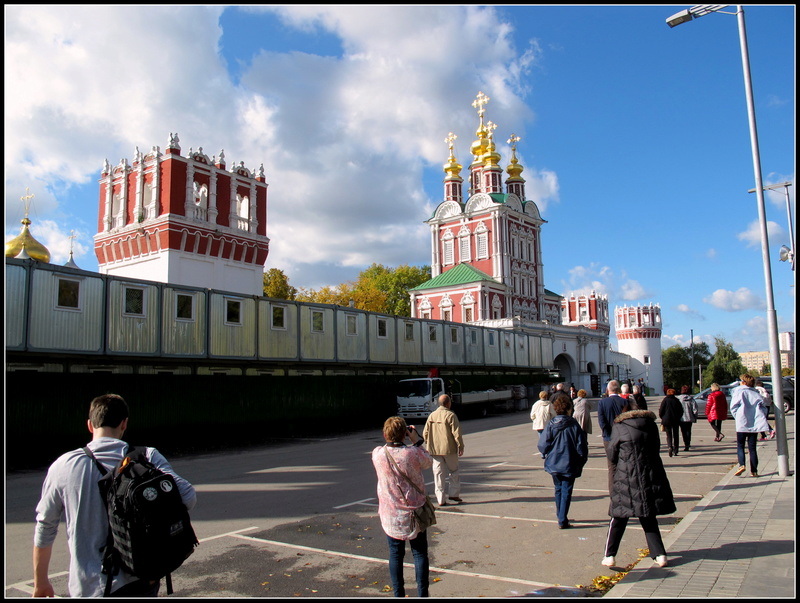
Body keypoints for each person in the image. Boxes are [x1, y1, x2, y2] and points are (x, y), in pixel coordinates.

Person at [33, 393, 197, 598]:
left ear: (90, 425)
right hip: (140, 581)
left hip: (89, 587)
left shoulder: (63, 466)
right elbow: (188, 497)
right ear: (124, 424)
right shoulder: (146, 456)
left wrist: (41, 582)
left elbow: (45, 525)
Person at [601, 402, 675, 569]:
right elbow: (656, 448)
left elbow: (612, 452)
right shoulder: (650, 425)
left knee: (618, 517)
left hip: (626, 475)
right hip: (649, 473)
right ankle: (660, 554)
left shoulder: (619, 426)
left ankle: (610, 555)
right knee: (648, 516)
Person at [372, 416, 433, 597]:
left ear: (385, 434)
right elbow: (428, 461)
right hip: (415, 512)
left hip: (391, 514)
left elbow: (386, 449)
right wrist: (416, 439)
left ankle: (398, 594)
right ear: (404, 435)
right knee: (420, 554)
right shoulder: (412, 453)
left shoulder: (378, 454)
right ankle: (423, 594)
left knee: (395, 555)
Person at [538, 394, 588, 529]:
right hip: (569, 461)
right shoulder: (574, 425)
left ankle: (561, 515)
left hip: (554, 461)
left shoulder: (551, 425)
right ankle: (562, 518)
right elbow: (581, 446)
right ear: (569, 409)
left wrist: (545, 454)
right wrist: (582, 460)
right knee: (566, 489)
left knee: (559, 489)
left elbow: (542, 444)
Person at [423, 394, 465, 506]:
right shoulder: (451, 415)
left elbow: (425, 433)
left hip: (435, 450)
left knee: (438, 474)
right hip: (449, 449)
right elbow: (457, 433)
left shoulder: (432, 415)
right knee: (454, 471)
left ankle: (440, 499)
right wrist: (460, 446)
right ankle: (454, 493)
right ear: (448, 403)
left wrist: (428, 444)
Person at [730, 374, 769, 478]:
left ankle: (742, 465)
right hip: (754, 424)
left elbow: (733, 407)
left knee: (740, 446)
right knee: (752, 448)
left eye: (741, 380)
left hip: (742, 423)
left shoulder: (738, 392)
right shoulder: (756, 393)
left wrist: (737, 417)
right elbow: (763, 408)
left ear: (744, 382)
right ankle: (754, 471)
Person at [597, 380, 627, 494]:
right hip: (623, 436)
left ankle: (613, 493)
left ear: (607, 390)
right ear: (618, 390)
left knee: (612, 466)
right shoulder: (624, 402)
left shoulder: (603, 403)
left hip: (608, 437)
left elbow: (602, 421)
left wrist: (606, 431)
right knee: (624, 464)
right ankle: (625, 491)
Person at [658, 389, 683, 457]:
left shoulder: (665, 400)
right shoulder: (676, 400)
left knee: (668, 435)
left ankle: (669, 447)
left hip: (666, 420)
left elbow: (661, 410)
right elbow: (681, 410)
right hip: (675, 420)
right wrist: (678, 417)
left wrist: (662, 417)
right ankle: (676, 449)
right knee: (676, 434)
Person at [678, 385, 698, 451]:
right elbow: (695, 409)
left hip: (681, 418)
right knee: (688, 431)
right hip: (689, 418)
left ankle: (685, 443)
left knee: (683, 431)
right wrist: (695, 416)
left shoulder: (678, 399)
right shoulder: (691, 399)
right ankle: (688, 443)